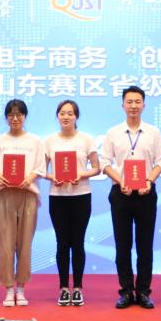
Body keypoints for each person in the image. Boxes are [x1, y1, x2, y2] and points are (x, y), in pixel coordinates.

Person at [101, 85, 161, 309]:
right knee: (123, 245)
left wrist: (149, 180)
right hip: (121, 194)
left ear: (144, 105)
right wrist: (120, 181)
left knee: (145, 245)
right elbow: (104, 163)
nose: (133, 106)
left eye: (137, 102)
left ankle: (144, 291)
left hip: (146, 194)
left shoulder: (153, 132)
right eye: (129, 102)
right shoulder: (113, 133)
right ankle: (127, 291)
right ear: (122, 105)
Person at [0, 99, 46, 307]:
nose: (15, 118)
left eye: (19, 114)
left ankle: (21, 288)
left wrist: (30, 178)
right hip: (4, 195)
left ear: (25, 116)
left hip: (28, 194)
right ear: (6, 117)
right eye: (11, 115)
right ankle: (8, 288)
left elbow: (40, 167)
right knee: (5, 245)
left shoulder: (35, 141)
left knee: (25, 243)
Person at [43, 99, 101, 307]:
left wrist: (81, 175)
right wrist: (53, 177)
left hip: (81, 195)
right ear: (57, 116)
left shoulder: (86, 140)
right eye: (62, 113)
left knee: (78, 242)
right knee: (61, 242)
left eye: (70, 113)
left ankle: (77, 288)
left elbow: (97, 168)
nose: (66, 116)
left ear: (76, 117)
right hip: (57, 197)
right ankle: (63, 288)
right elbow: (41, 170)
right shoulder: (49, 141)